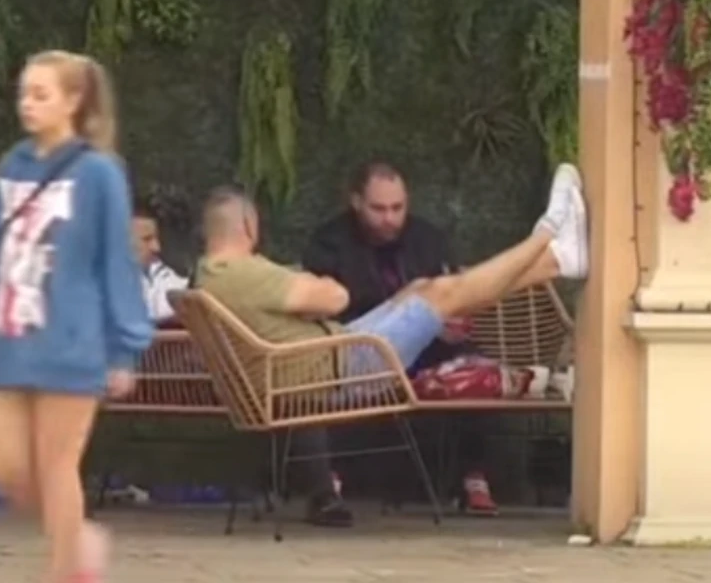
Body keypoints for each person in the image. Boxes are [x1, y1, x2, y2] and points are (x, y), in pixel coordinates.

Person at [194, 164, 587, 525]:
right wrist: (316, 289)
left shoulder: (210, 274)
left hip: (328, 356)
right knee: (445, 294)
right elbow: (336, 298)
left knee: (423, 288)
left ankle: (557, 260)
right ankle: (548, 238)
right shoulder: (246, 273)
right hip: (342, 369)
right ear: (248, 225)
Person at [0, 50, 153, 583]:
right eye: (24, 93)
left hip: (71, 343)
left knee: (56, 464)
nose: (27, 103)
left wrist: (123, 349)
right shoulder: (12, 166)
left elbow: (116, 262)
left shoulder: (99, 173)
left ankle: (65, 570)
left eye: (40, 94)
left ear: (73, 101)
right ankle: (78, 538)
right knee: (6, 467)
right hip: (6, 339)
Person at [301, 161, 494, 514]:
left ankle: (473, 478)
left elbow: (454, 293)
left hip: (427, 351)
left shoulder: (429, 240)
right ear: (356, 202)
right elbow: (325, 314)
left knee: (471, 369)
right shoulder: (328, 245)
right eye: (378, 209)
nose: (389, 218)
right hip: (361, 350)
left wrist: (453, 325)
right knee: (330, 375)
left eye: (397, 207)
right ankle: (330, 484)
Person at [132, 198, 189, 324]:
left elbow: (177, 290)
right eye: (147, 239)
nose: (156, 247)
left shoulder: (156, 272)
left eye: (156, 239)